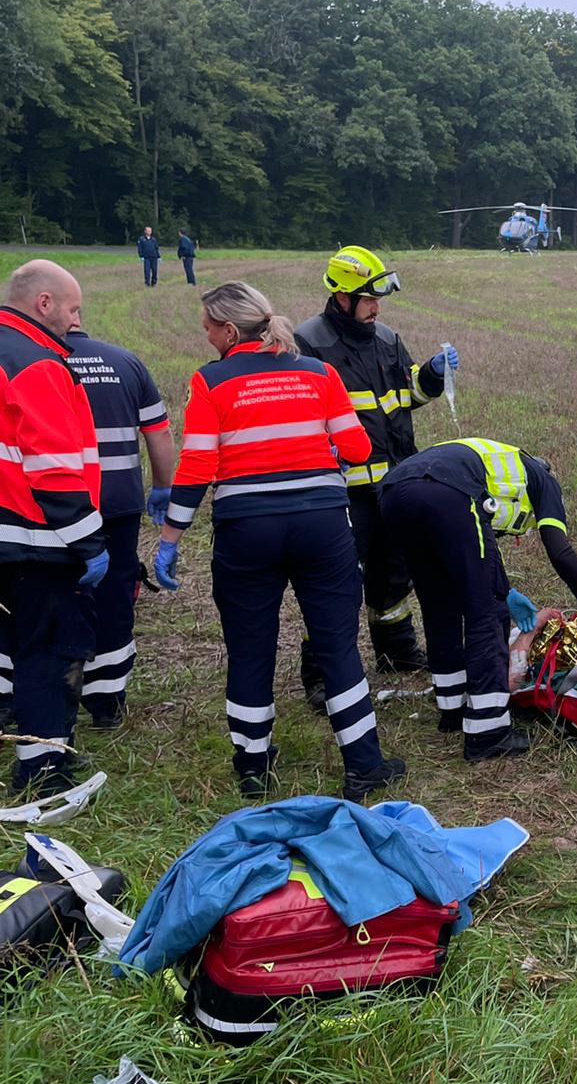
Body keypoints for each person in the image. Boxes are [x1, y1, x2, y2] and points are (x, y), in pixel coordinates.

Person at [152, 281, 404, 801]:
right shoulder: (319, 372)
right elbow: (357, 448)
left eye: (206, 329)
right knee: (338, 647)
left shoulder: (211, 382)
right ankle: (364, 764)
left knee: (250, 650)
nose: (205, 339)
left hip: (247, 529)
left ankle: (252, 769)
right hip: (323, 527)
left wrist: (171, 535)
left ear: (227, 331)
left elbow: (198, 463)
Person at [380, 439, 577, 760]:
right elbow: (558, 549)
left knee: (440, 603)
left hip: (393, 493)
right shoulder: (543, 481)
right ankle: (487, 731)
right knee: (487, 613)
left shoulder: (495, 469)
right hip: (446, 493)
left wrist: (505, 590)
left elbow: (476, 556)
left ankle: (453, 709)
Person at [295, 246, 453, 704]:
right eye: (369, 298)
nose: (377, 307)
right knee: (338, 579)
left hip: (393, 483)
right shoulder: (310, 344)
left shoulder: (385, 337)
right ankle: (322, 673)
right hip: (343, 490)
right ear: (342, 297)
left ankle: (396, 650)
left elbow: (408, 395)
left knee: (394, 572)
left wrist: (432, 377)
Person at [0, 261, 106, 793]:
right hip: (36, 543)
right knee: (46, 653)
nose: (74, 320)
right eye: (72, 309)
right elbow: (54, 469)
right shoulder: (37, 365)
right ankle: (42, 770)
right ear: (43, 303)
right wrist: (89, 541)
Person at [63, 304, 177, 728]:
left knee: (50, 592)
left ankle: (43, 689)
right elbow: (160, 434)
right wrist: (162, 486)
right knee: (114, 596)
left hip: (49, 504)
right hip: (116, 502)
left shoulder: (30, 359)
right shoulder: (125, 361)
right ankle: (106, 701)